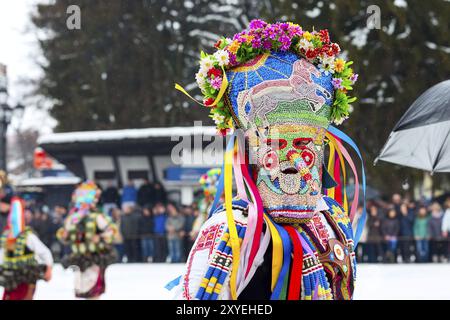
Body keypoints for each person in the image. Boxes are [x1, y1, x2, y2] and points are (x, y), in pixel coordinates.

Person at [172, 20, 364, 300]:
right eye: (276, 144)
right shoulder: (230, 229)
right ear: (252, 151)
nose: (293, 157)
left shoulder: (330, 217)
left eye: (303, 143)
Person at [57, 181, 118, 299]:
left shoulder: (96, 216)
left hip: (95, 256)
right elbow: (63, 232)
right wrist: (64, 235)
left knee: (93, 290)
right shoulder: (73, 218)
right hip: (79, 257)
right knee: (81, 290)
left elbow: (112, 230)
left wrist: (100, 237)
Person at [0, 197, 53, 300]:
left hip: (27, 278)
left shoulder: (28, 237)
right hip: (11, 279)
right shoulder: (6, 237)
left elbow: (45, 252)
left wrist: (48, 269)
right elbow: (2, 255)